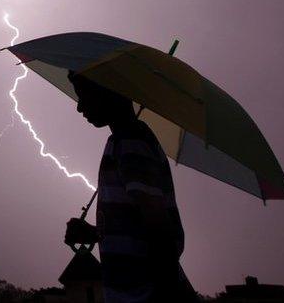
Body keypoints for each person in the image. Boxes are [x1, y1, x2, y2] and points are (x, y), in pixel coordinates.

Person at [64, 72, 199, 302]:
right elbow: (137, 226)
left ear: (109, 92)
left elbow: (158, 228)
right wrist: (98, 233)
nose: (79, 107)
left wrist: (167, 293)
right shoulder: (119, 142)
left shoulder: (132, 142)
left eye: (84, 95)